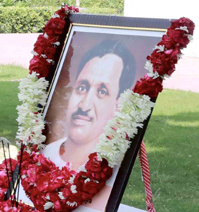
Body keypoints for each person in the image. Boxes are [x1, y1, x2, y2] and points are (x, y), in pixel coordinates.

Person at [43, 39, 136, 171]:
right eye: (82, 88)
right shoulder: (44, 155)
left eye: (102, 91)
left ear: (118, 106)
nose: (84, 105)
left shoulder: (111, 172)